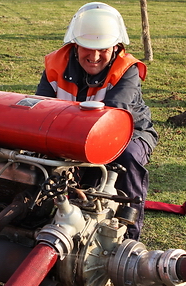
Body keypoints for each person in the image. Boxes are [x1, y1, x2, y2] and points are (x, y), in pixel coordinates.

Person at [35, 2, 158, 241]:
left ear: (116, 46)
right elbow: (42, 112)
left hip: (129, 133)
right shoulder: (55, 65)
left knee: (127, 160)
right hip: (74, 134)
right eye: (86, 48)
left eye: (102, 48)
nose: (94, 56)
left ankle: (128, 239)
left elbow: (112, 118)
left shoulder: (127, 70)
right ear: (74, 45)